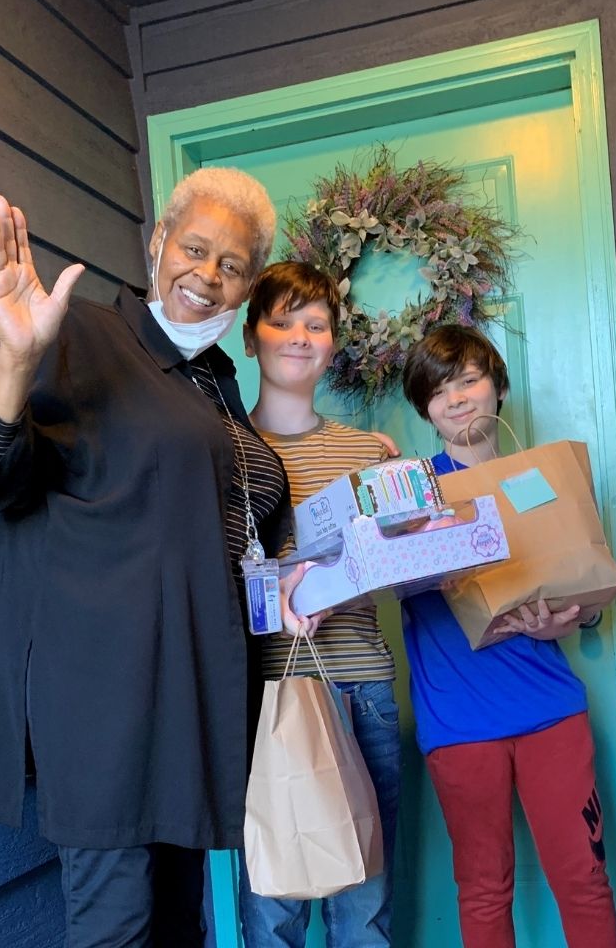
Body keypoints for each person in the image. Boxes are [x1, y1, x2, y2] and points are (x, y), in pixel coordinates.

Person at [0, 169, 293, 947]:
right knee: (118, 928)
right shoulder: (84, 337)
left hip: (191, 699)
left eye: (231, 264)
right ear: (158, 243)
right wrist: (15, 362)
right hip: (107, 704)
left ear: (248, 285)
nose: (206, 275)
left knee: (176, 927)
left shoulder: (215, 379)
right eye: (194, 249)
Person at [397, 324, 616, 948]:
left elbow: (590, 588)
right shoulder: (410, 494)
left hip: (550, 710)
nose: (456, 399)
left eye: (468, 380)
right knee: (483, 889)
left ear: (497, 386)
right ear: (425, 409)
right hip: (457, 721)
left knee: (583, 880)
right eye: (438, 391)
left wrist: (574, 619)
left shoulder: (547, 479)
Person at [238, 261, 401, 948]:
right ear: (251, 338)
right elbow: (203, 576)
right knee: (271, 914)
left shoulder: (368, 453)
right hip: (268, 697)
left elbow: (398, 574)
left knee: (365, 910)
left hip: (364, 691)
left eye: (317, 324)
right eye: (283, 322)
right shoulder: (224, 452)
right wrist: (281, 589)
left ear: (333, 343)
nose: (301, 337)